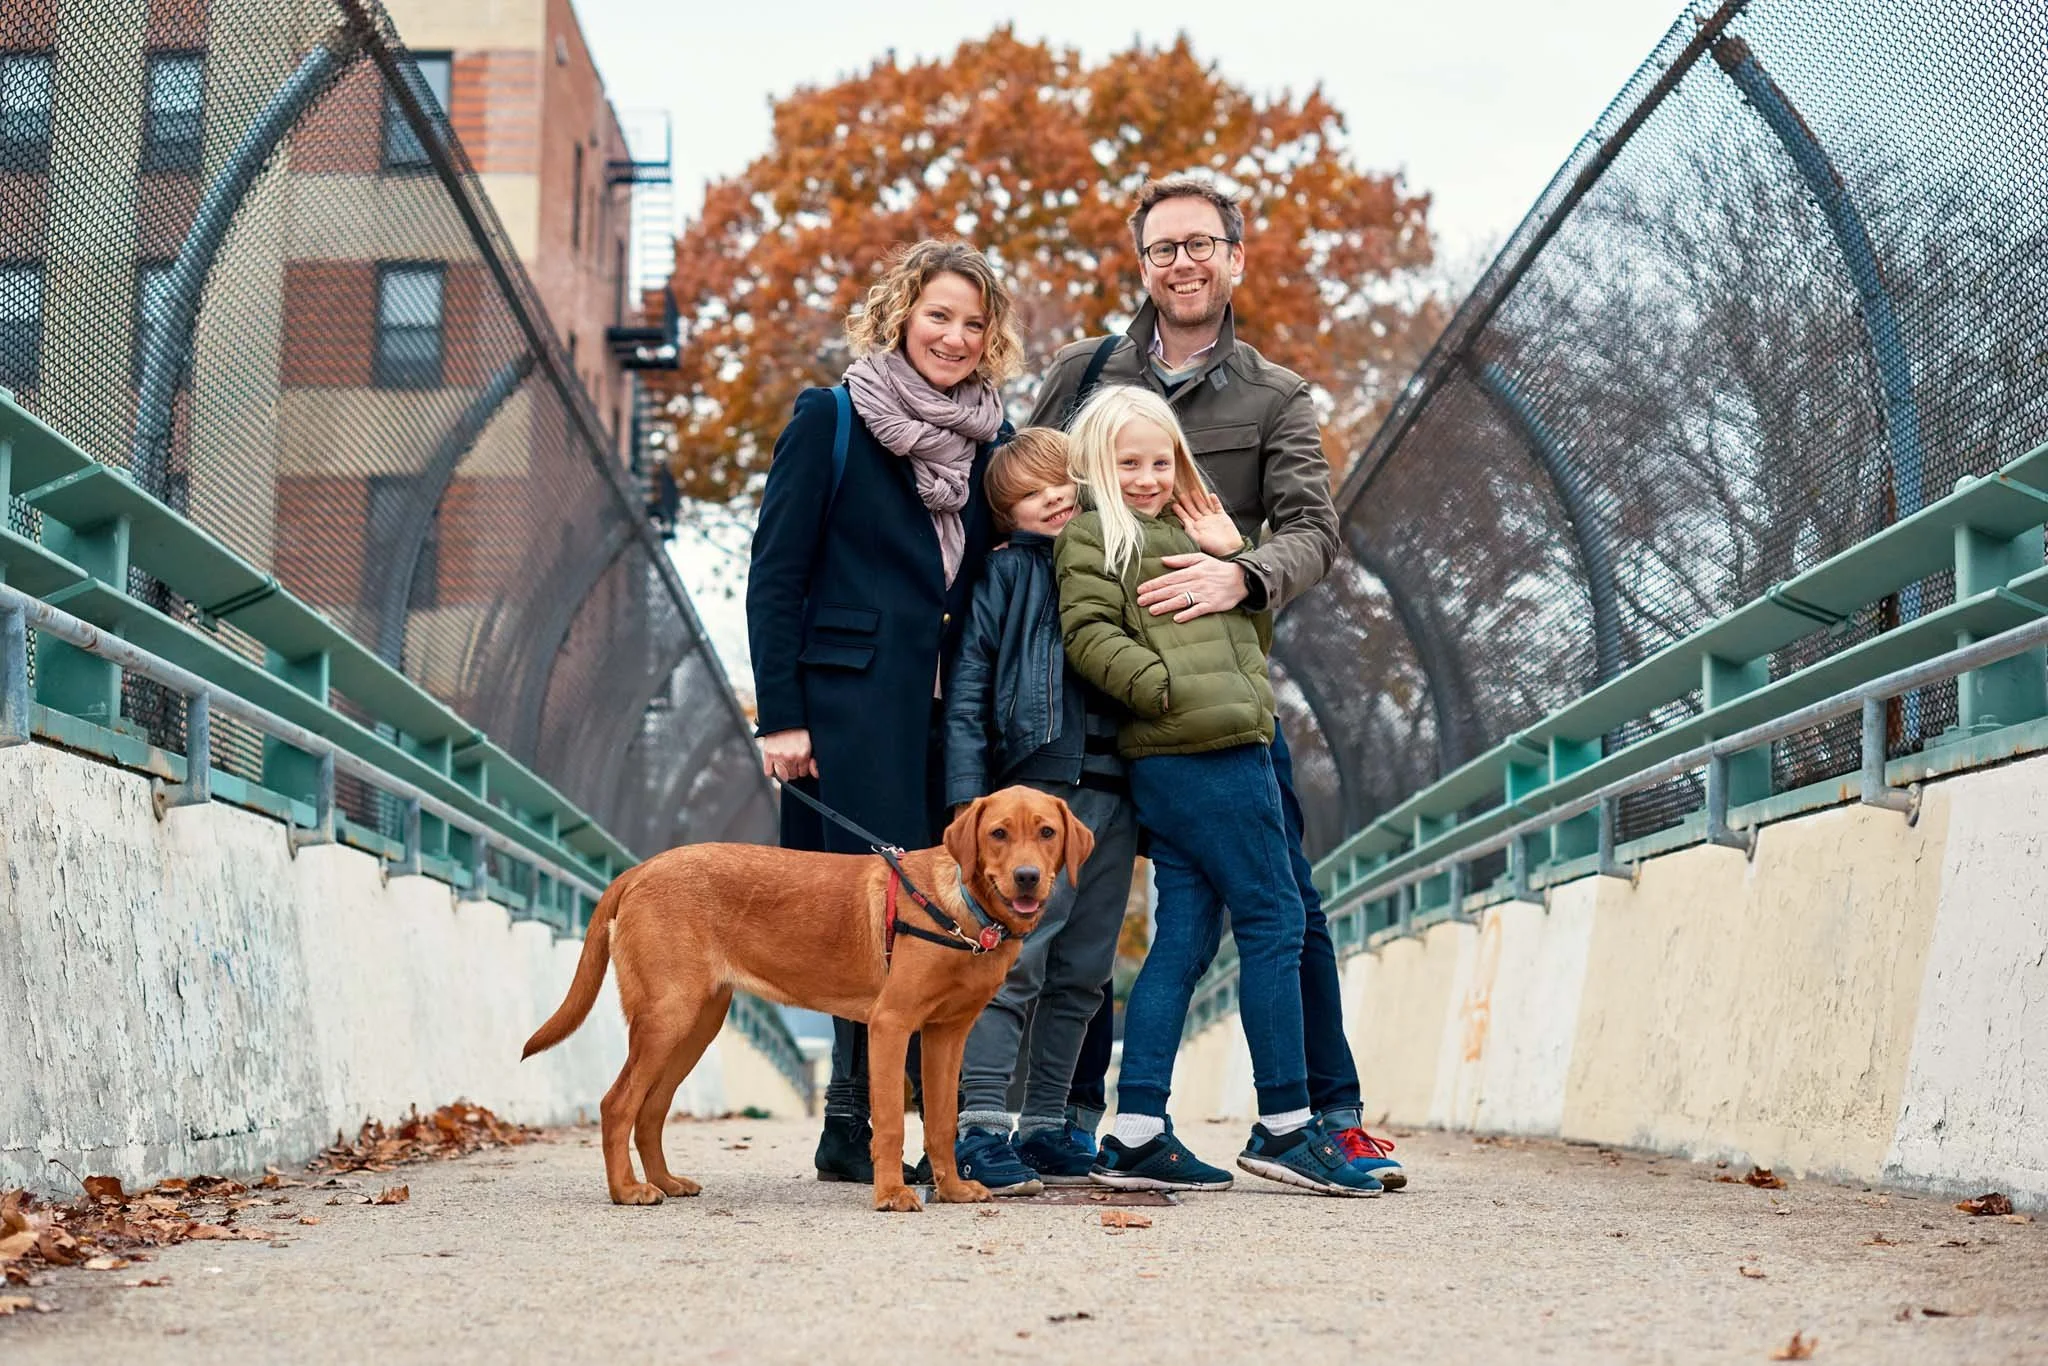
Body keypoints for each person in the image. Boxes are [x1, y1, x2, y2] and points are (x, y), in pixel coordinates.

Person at [1028, 174, 1404, 1189]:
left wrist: (1239, 568)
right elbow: (1022, 486)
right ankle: (1070, 1115)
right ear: (1138, 260)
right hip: (1111, 704)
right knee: (1093, 912)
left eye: (1200, 245)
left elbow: (1314, 535)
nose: (1181, 263)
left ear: (1234, 258)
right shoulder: (1078, 376)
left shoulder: (1271, 395)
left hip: (1226, 700)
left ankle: (1311, 1111)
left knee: (1248, 913)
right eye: (1162, 248)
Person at [1055, 385, 1380, 1196]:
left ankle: (1135, 1129)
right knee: (1276, 918)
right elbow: (1088, 635)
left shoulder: (1191, 533)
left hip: (1206, 749)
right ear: (1097, 463)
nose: (1146, 476)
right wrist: (1162, 690)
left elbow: (1248, 640)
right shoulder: (1096, 536)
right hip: (1202, 752)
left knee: (1187, 938)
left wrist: (1235, 556)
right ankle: (1286, 1125)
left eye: (1159, 461)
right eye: (1128, 462)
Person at [747, 239, 1020, 1184]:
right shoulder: (831, 418)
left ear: (992, 340)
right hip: (847, 708)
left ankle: (888, 1124)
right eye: (938, 314)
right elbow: (776, 575)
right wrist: (781, 716)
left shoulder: (995, 440)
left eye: (973, 323)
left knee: (933, 912)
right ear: (902, 314)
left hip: (949, 720)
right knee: (852, 914)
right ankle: (852, 1117)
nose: (953, 335)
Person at [941, 428, 1140, 1195]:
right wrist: (969, 800)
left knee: (1087, 970)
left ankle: (1049, 1126)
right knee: (1014, 964)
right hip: (1041, 794)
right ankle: (983, 1126)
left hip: (1118, 792)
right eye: (1030, 492)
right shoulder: (1006, 576)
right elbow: (967, 689)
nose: (1053, 498)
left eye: (1063, 480)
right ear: (1006, 514)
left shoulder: (1121, 558)